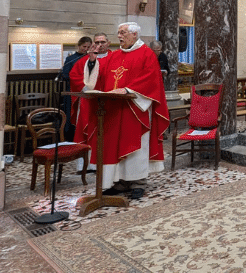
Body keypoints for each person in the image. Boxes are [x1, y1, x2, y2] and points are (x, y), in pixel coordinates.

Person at [76, 22, 169, 198]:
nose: (119, 36)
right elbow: (99, 78)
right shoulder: (114, 55)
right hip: (113, 108)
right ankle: (119, 182)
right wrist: (93, 61)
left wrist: (128, 90)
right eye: (118, 33)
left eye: (123, 32)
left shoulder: (147, 54)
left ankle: (138, 182)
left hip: (135, 109)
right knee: (114, 146)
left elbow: (151, 79)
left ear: (135, 34)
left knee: (135, 146)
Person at [70, 32, 112, 170]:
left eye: (102, 42)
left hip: (109, 101)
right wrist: (85, 88)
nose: (100, 45)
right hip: (88, 102)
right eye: (97, 43)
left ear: (108, 43)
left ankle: (106, 163)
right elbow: (74, 75)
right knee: (86, 131)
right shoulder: (84, 59)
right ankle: (86, 165)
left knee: (106, 132)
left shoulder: (114, 58)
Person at [58, 36, 92, 141]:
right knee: (70, 114)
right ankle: (69, 139)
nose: (86, 49)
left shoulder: (91, 58)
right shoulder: (71, 58)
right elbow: (65, 74)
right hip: (73, 90)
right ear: (79, 45)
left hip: (86, 90)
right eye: (84, 46)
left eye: (88, 47)